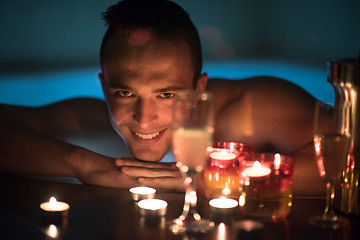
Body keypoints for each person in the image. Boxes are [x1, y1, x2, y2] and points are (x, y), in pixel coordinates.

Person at [0, 0, 324, 196]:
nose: (143, 118)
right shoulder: (92, 118)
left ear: (199, 90)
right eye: (125, 93)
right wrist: (85, 165)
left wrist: (222, 176)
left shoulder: (251, 108)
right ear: (103, 86)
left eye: (167, 94)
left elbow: (350, 153)